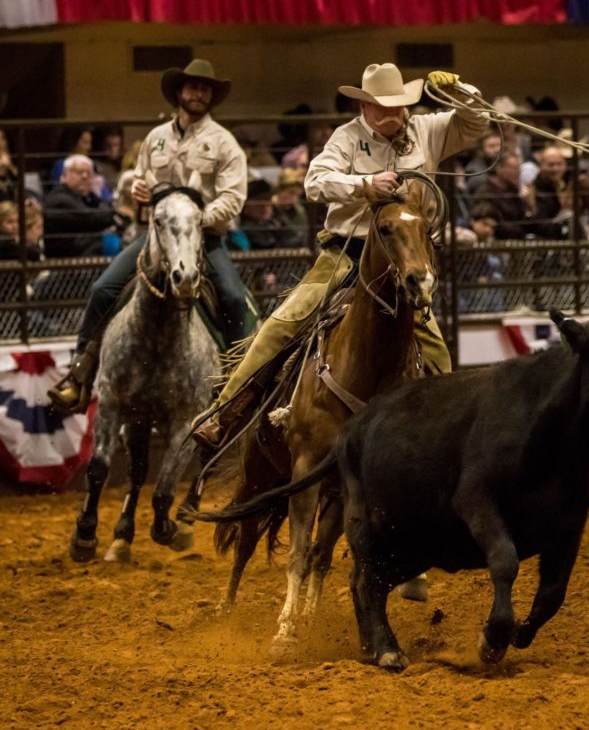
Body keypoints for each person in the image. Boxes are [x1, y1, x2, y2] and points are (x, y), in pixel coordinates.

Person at [192, 62, 488, 451]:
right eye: (381, 107)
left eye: (397, 106)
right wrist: (365, 184)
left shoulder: (426, 129)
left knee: (434, 347)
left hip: (404, 255)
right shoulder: (346, 139)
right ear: (363, 108)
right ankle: (224, 412)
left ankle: (443, 433)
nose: (392, 114)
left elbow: (478, 121)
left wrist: (461, 90)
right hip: (347, 253)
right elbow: (315, 181)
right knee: (284, 322)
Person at [48, 59, 249, 415]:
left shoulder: (224, 143)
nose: (198, 93)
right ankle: (78, 374)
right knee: (103, 289)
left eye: (205, 88)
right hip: (157, 238)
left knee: (233, 297)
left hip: (204, 239)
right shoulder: (155, 139)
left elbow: (234, 197)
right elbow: (139, 181)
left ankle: (237, 384)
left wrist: (198, 218)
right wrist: (138, 189)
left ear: (212, 96)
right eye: (192, 86)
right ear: (179, 92)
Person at [42, 155, 126, 257]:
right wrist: (112, 213)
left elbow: (106, 208)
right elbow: (92, 218)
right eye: (79, 172)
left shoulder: (83, 197)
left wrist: (92, 194)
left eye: (89, 174)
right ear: (64, 175)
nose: (85, 176)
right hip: (66, 261)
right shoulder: (59, 199)